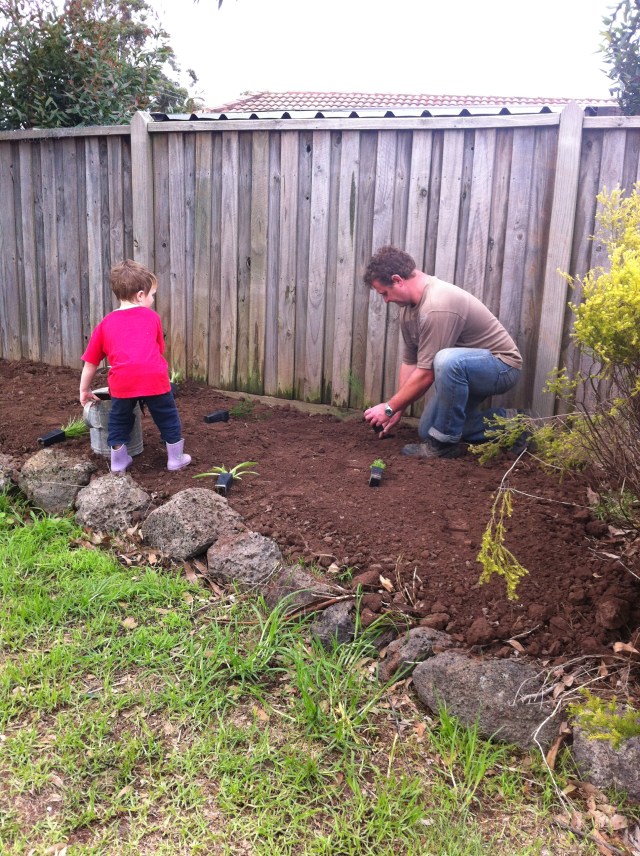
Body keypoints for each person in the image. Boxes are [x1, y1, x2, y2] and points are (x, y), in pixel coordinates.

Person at [363, 245, 522, 459]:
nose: (386, 300)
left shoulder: (437, 304)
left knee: (447, 361)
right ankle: (516, 425)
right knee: (429, 429)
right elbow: (410, 361)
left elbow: (427, 373)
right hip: (466, 371)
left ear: (398, 280)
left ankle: (444, 447)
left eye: (385, 293)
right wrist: (398, 408)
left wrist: (388, 408)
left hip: (501, 366)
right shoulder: (409, 309)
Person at [79, 259, 191, 473]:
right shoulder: (152, 317)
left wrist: (84, 389)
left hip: (122, 382)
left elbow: (91, 362)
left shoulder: (105, 323)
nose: (152, 299)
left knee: (118, 419)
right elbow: (158, 350)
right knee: (167, 415)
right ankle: (176, 459)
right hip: (154, 378)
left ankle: (119, 462)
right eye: (152, 295)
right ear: (141, 295)